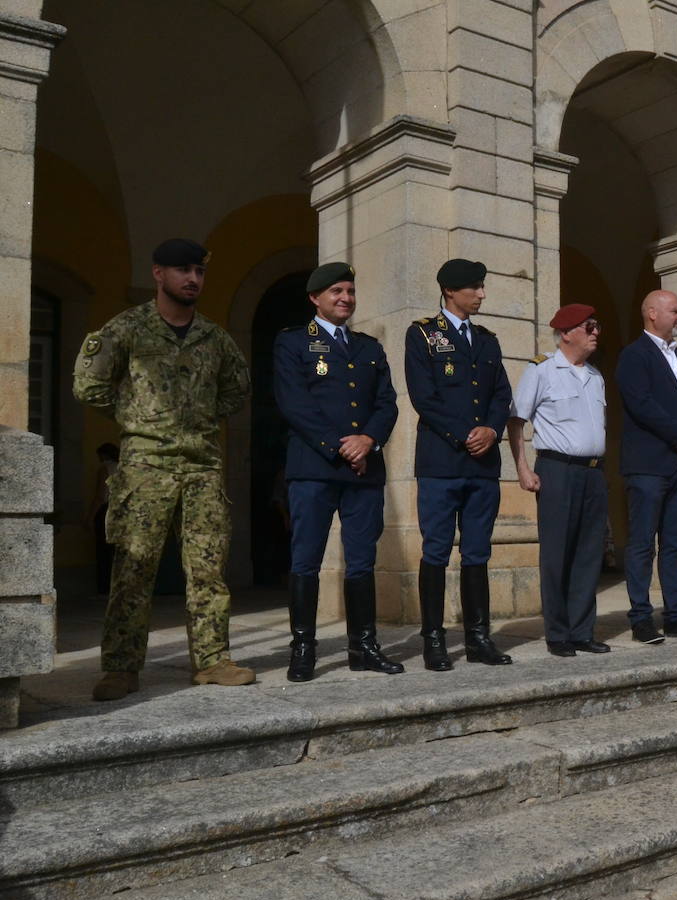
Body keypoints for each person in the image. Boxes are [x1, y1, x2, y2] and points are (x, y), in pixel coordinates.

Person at [72, 238, 253, 700]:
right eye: (182, 270)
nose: (193, 279)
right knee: (133, 569)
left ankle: (212, 660)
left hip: (201, 464)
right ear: (158, 274)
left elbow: (237, 388)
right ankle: (121, 667)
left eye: (199, 271)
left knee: (208, 569)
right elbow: (88, 384)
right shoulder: (127, 329)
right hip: (145, 465)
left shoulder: (214, 337)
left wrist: (200, 418)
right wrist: (138, 417)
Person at [274, 262, 402, 681]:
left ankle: (364, 646)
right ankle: (303, 648)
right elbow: (294, 403)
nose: (346, 298)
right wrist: (340, 446)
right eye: (336, 292)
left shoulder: (369, 348)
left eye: (350, 291)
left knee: (362, 560)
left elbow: (387, 403)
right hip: (314, 468)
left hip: (364, 471)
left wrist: (368, 440)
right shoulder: (293, 342)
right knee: (306, 559)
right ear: (315, 298)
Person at [406, 258, 513, 667]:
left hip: (482, 465)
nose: (482, 294)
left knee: (477, 551)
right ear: (450, 290)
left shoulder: (487, 340)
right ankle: (433, 639)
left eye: (482, 286)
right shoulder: (422, 334)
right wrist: (466, 434)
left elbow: (501, 394)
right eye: (475, 287)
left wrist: (492, 430)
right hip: (441, 462)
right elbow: (424, 396)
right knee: (436, 550)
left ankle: (478, 638)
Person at [507, 304, 612, 657]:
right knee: (557, 553)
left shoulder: (595, 376)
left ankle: (582, 631)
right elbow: (516, 420)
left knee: (589, 553)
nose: (596, 332)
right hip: (557, 469)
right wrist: (523, 468)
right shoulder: (542, 370)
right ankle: (558, 633)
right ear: (566, 333)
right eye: (589, 326)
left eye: (597, 326)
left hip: (593, 472)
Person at [616, 290, 677, 644]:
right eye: (675, 310)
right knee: (642, 543)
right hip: (648, 465)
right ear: (652, 313)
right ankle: (641, 618)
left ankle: (676, 615)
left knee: (674, 543)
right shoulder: (634, 355)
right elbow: (641, 405)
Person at [87, 442, 120, 595]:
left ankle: (104, 587)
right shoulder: (124, 468)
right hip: (123, 510)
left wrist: (90, 517)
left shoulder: (105, 469)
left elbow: (100, 496)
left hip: (107, 510)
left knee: (104, 551)